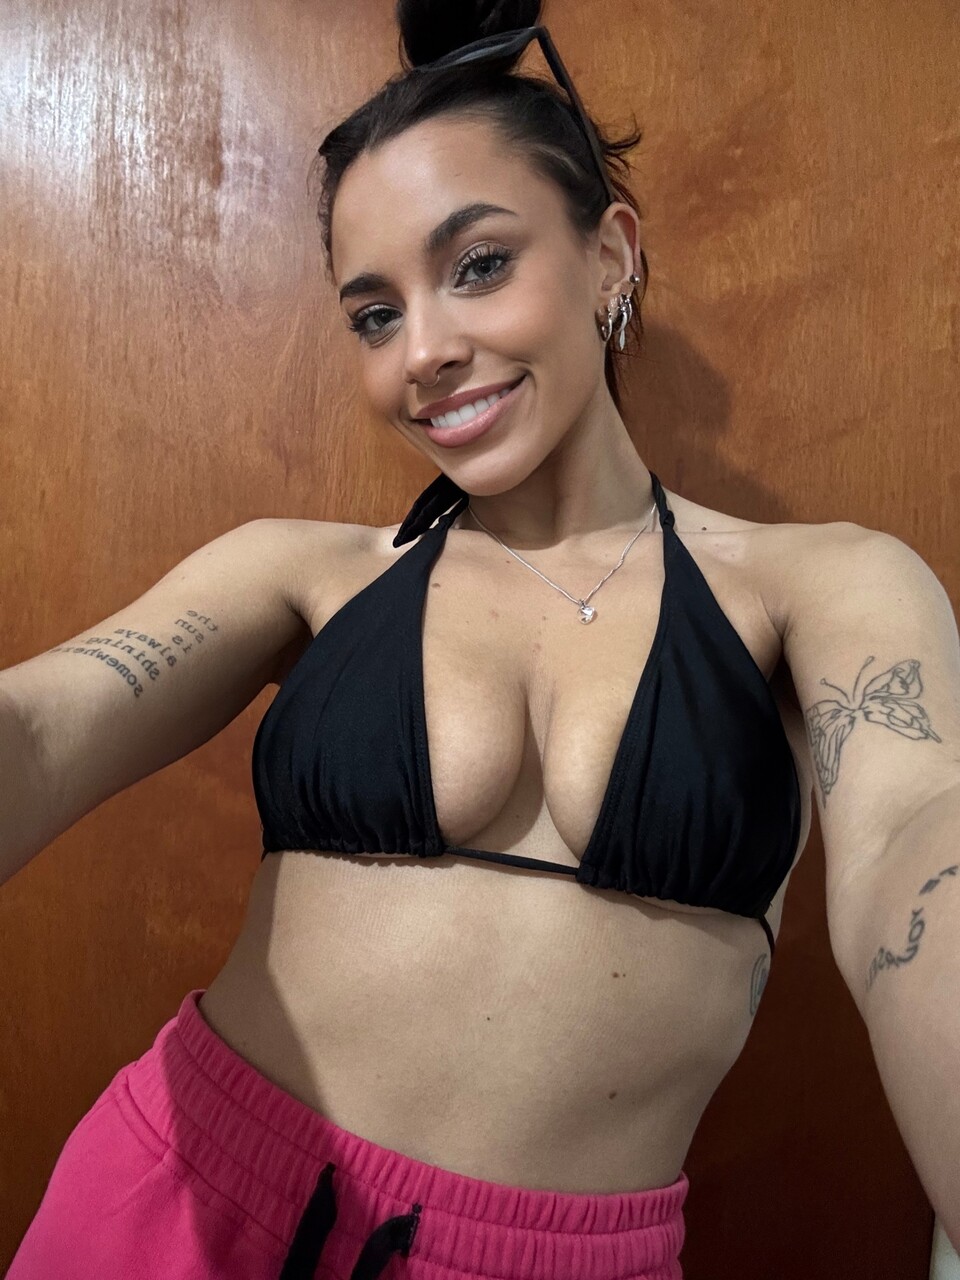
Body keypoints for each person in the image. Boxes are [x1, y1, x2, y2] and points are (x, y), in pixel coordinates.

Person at [4, 0, 813, 1275]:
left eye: (478, 264)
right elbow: (44, 725)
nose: (423, 351)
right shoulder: (307, 572)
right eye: (374, 314)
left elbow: (923, 836)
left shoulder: (814, 588)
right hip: (182, 1203)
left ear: (611, 255)